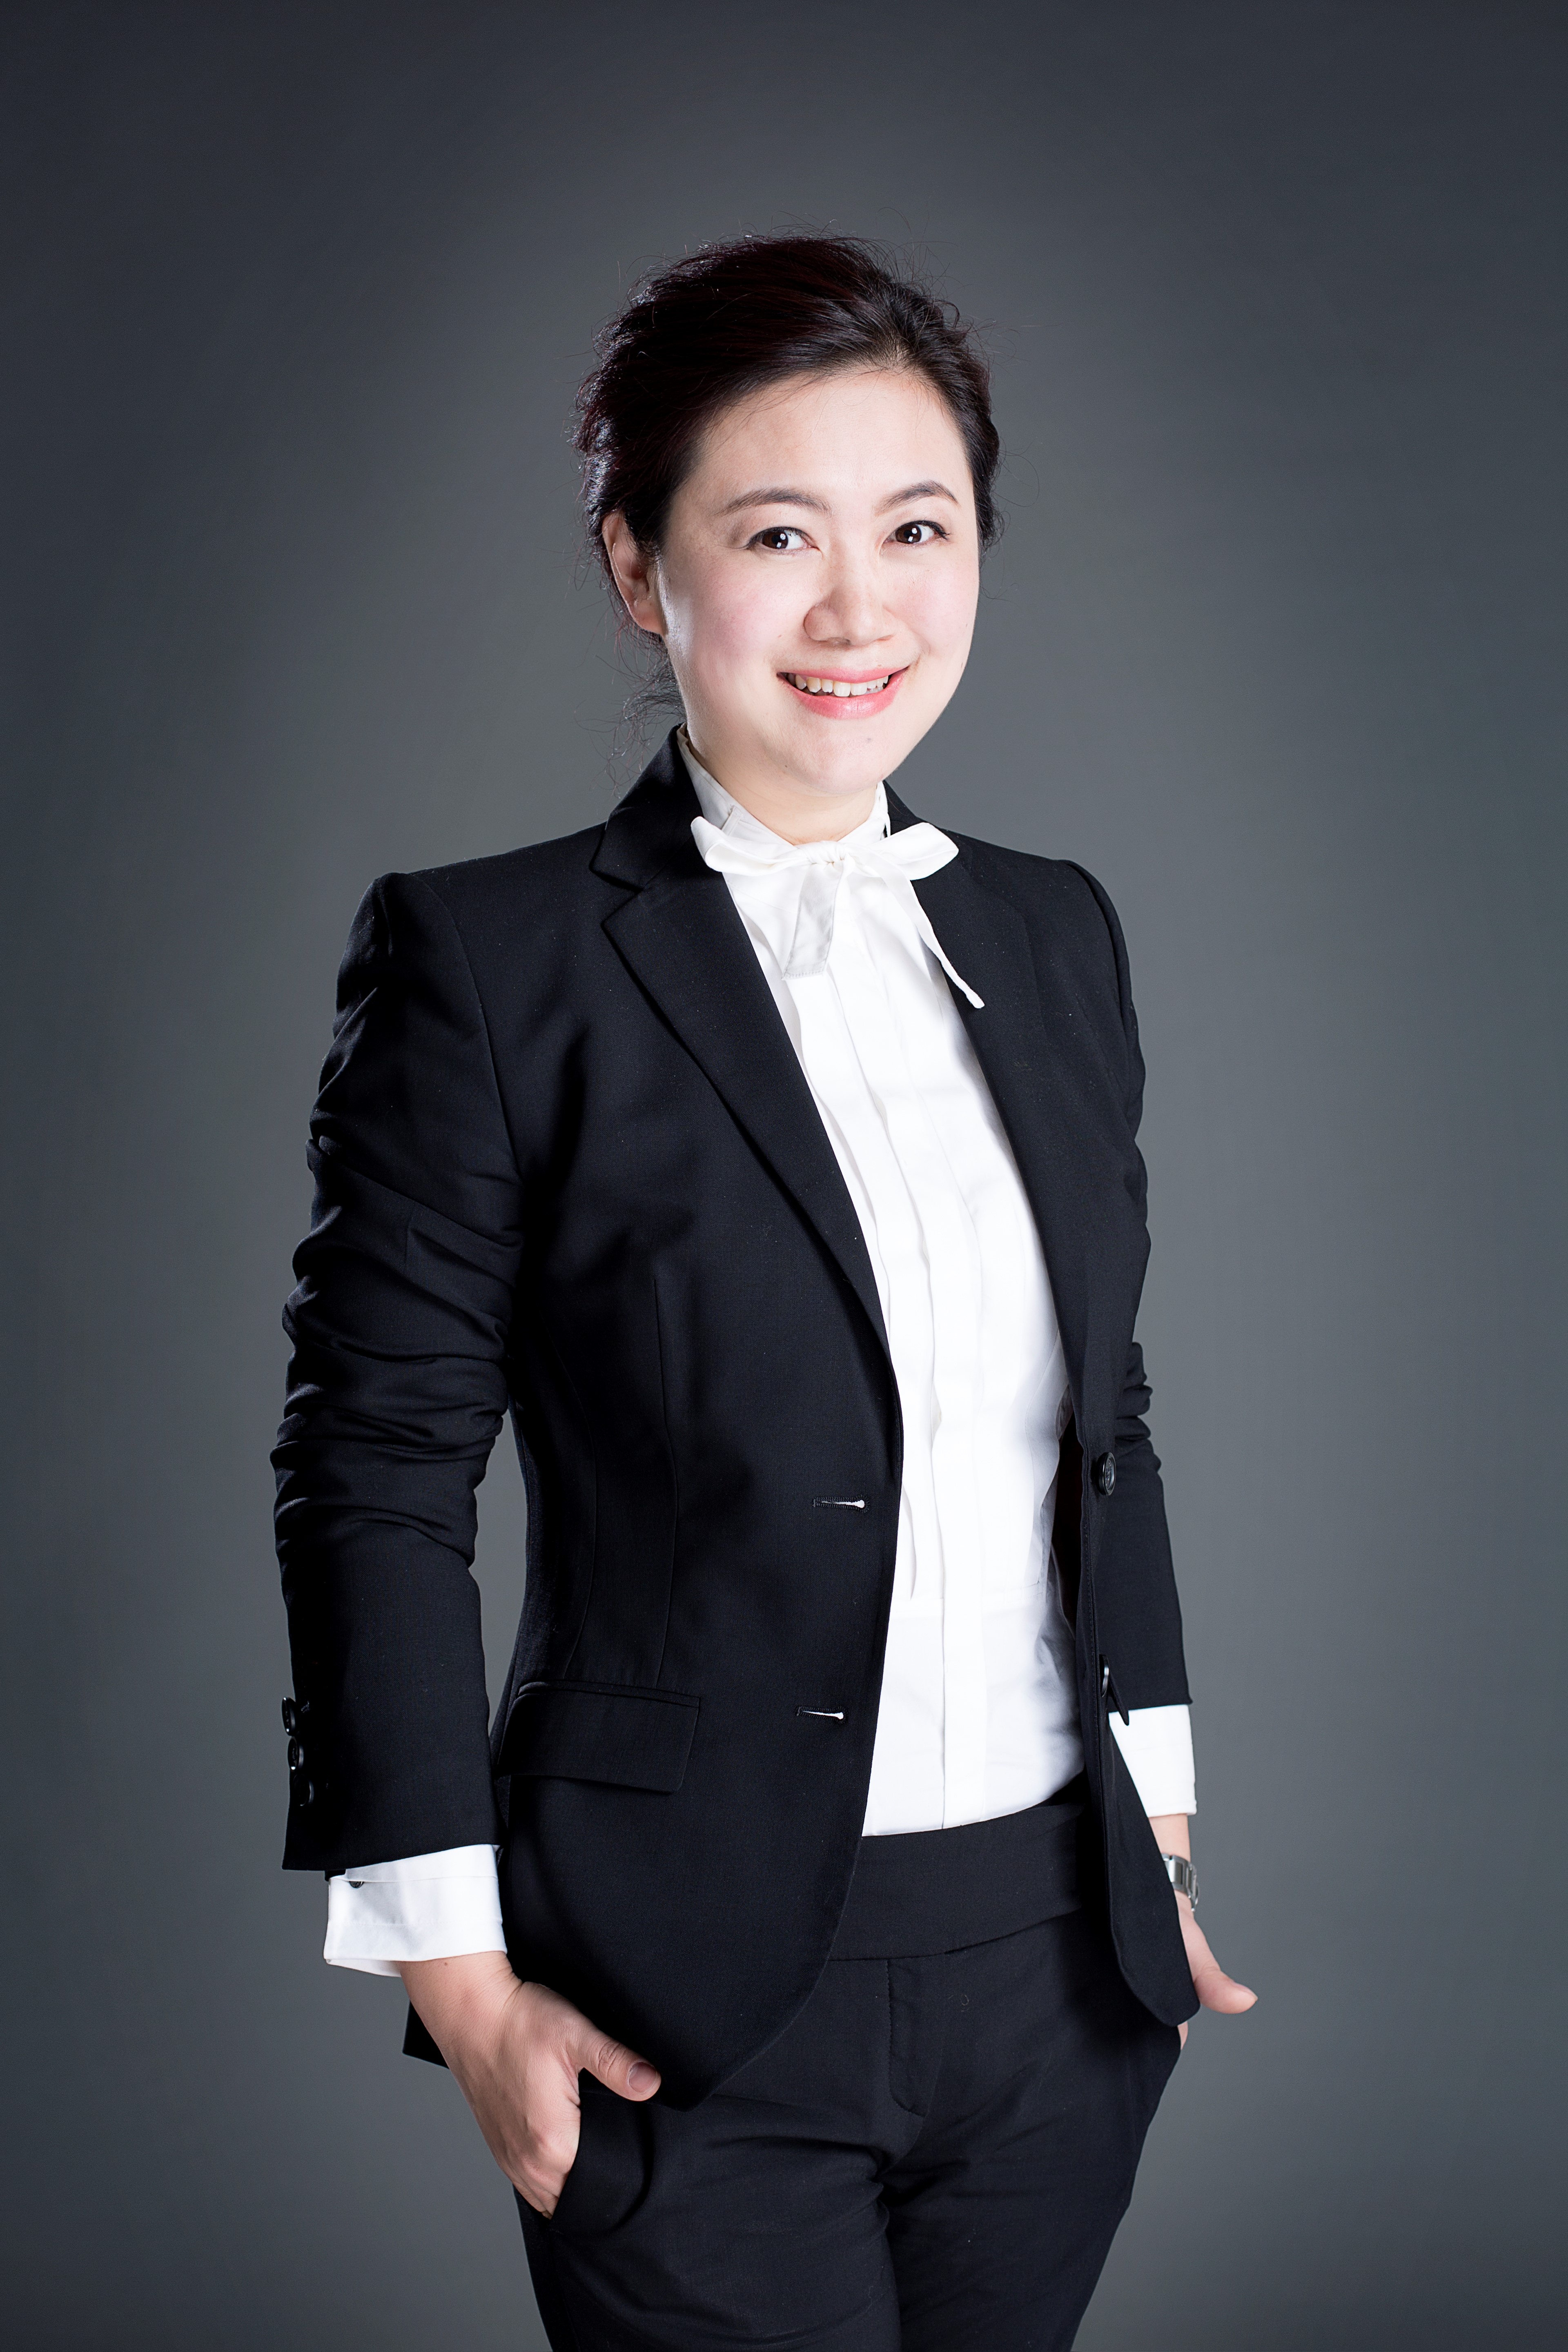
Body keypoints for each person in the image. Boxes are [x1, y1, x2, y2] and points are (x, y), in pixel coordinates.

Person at [273, 233, 1255, 2352]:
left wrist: (1159, 1839)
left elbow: (1105, 1418)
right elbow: (377, 1478)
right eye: (778, 534)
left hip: (1059, 1979)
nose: (859, 610)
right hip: (680, 1997)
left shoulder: (1058, 934)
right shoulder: (495, 964)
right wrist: (460, 1983)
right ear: (641, 568)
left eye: (919, 529)